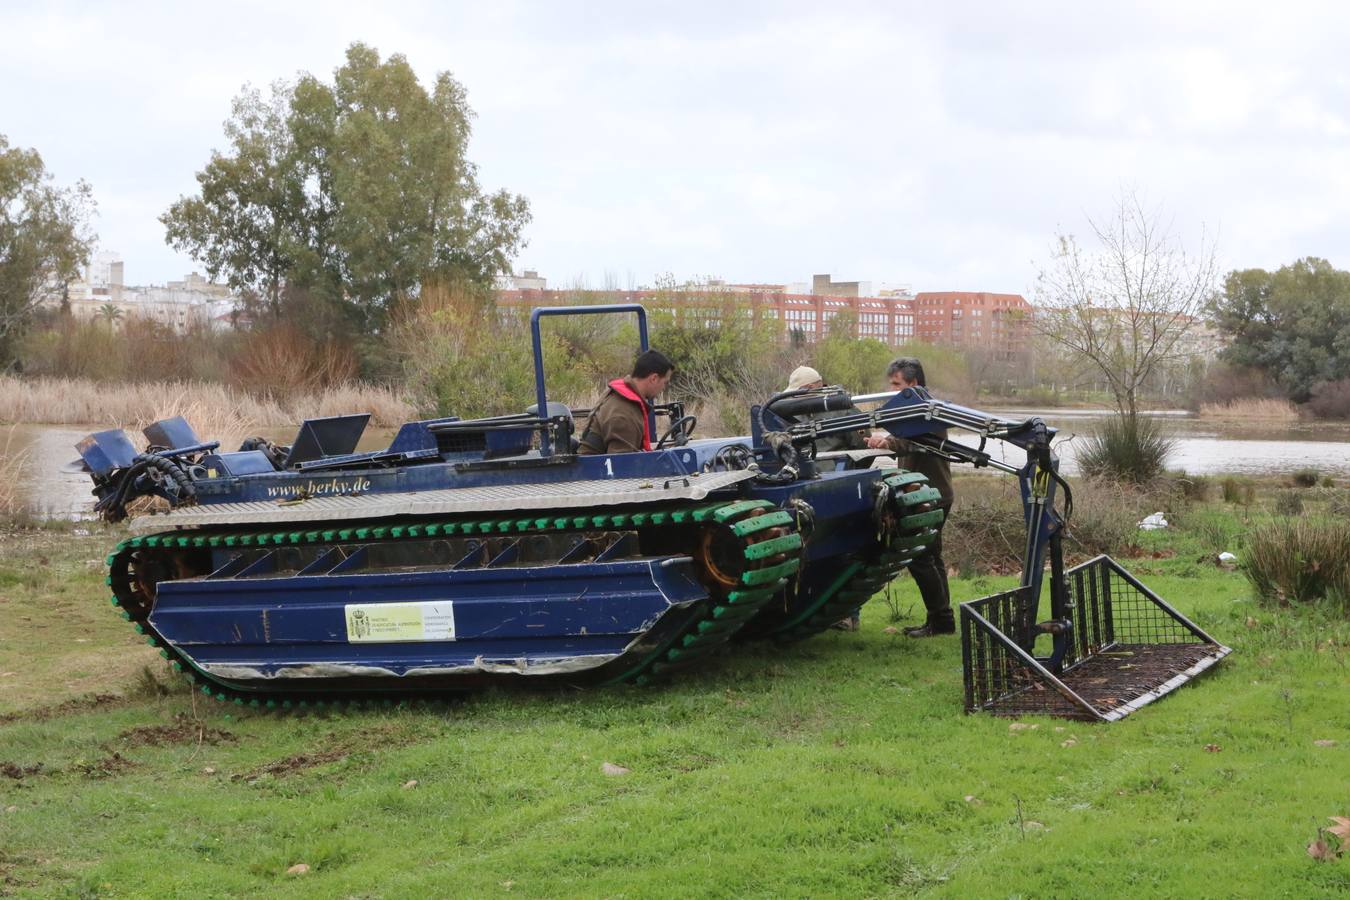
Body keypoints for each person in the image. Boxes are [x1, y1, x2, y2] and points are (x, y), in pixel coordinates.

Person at [864, 357, 956, 637]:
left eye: (896, 385)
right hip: (933, 493)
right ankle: (942, 620)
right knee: (932, 556)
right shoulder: (916, 407)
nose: (892, 390)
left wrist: (886, 442)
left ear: (913, 384)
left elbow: (912, 441)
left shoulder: (928, 410)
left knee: (919, 558)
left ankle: (940, 620)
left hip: (930, 495)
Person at [578, 350, 675, 455]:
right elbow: (623, 465)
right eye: (665, 382)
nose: (663, 388)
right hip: (594, 469)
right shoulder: (624, 413)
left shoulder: (619, 398)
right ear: (654, 378)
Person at [784, 365, 867, 454]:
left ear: (810, 388)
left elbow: (863, 446)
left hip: (839, 465)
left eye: (795, 394)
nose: (793, 398)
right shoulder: (792, 413)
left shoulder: (842, 408)